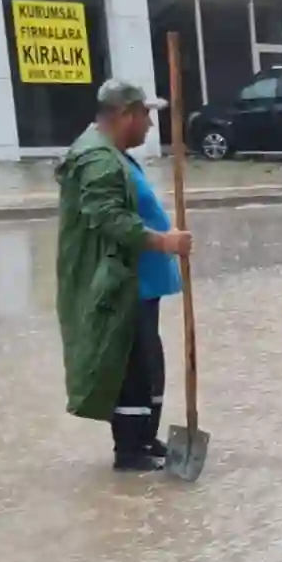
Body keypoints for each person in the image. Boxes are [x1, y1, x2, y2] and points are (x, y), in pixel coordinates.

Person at [55, 80, 194, 472]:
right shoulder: (98, 159)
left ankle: (145, 439)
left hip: (139, 285)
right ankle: (130, 451)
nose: (150, 126)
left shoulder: (112, 153)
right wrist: (164, 243)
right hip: (122, 284)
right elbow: (110, 219)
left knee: (148, 363)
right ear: (126, 115)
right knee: (131, 367)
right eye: (146, 116)